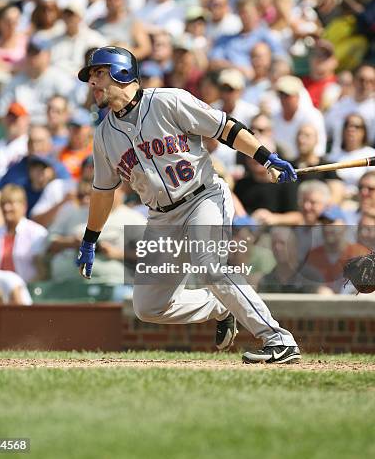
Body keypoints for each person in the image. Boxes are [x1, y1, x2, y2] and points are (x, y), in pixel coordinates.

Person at [76, 45, 301, 364]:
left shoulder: (168, 100)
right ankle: (220, 306)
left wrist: (265, 157)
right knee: (149, 307)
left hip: (203, 196)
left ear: (122, 73)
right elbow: (102, 192)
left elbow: (224, 127)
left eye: (98, 74)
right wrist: (90, 239)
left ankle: (278, 339)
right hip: (161, 218)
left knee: (209, 266)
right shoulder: (103, 135)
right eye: (91, 77)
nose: (92, 83)